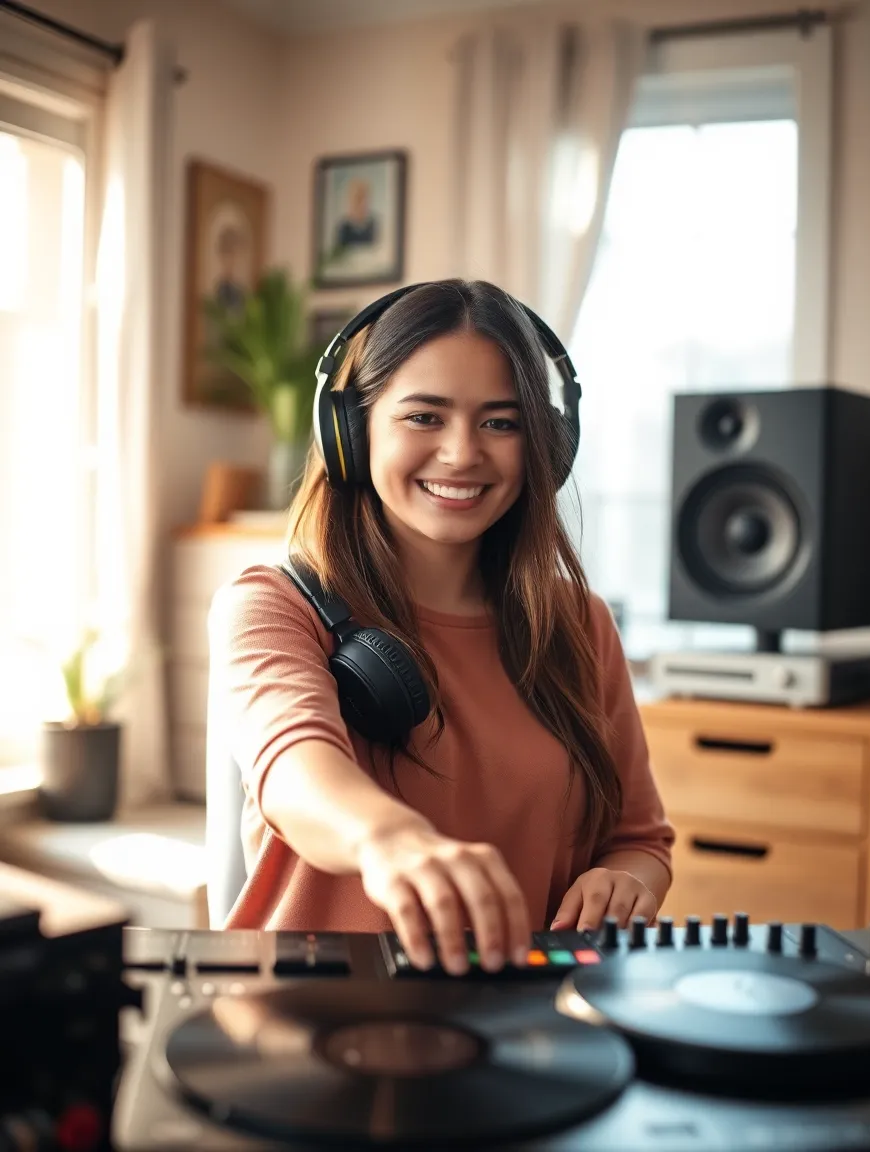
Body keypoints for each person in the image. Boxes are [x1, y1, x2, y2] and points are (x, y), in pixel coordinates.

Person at [208, 279, 674, 975]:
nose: (462, 454)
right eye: (425, 417)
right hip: (311, 1028)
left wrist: (627, 882)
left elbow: (640, 839)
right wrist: (392, 839)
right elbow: (296, 768)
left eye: (500, 422)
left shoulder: (581, 624)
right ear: (351, 430)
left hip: (524, 1029)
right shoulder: (272, 605)